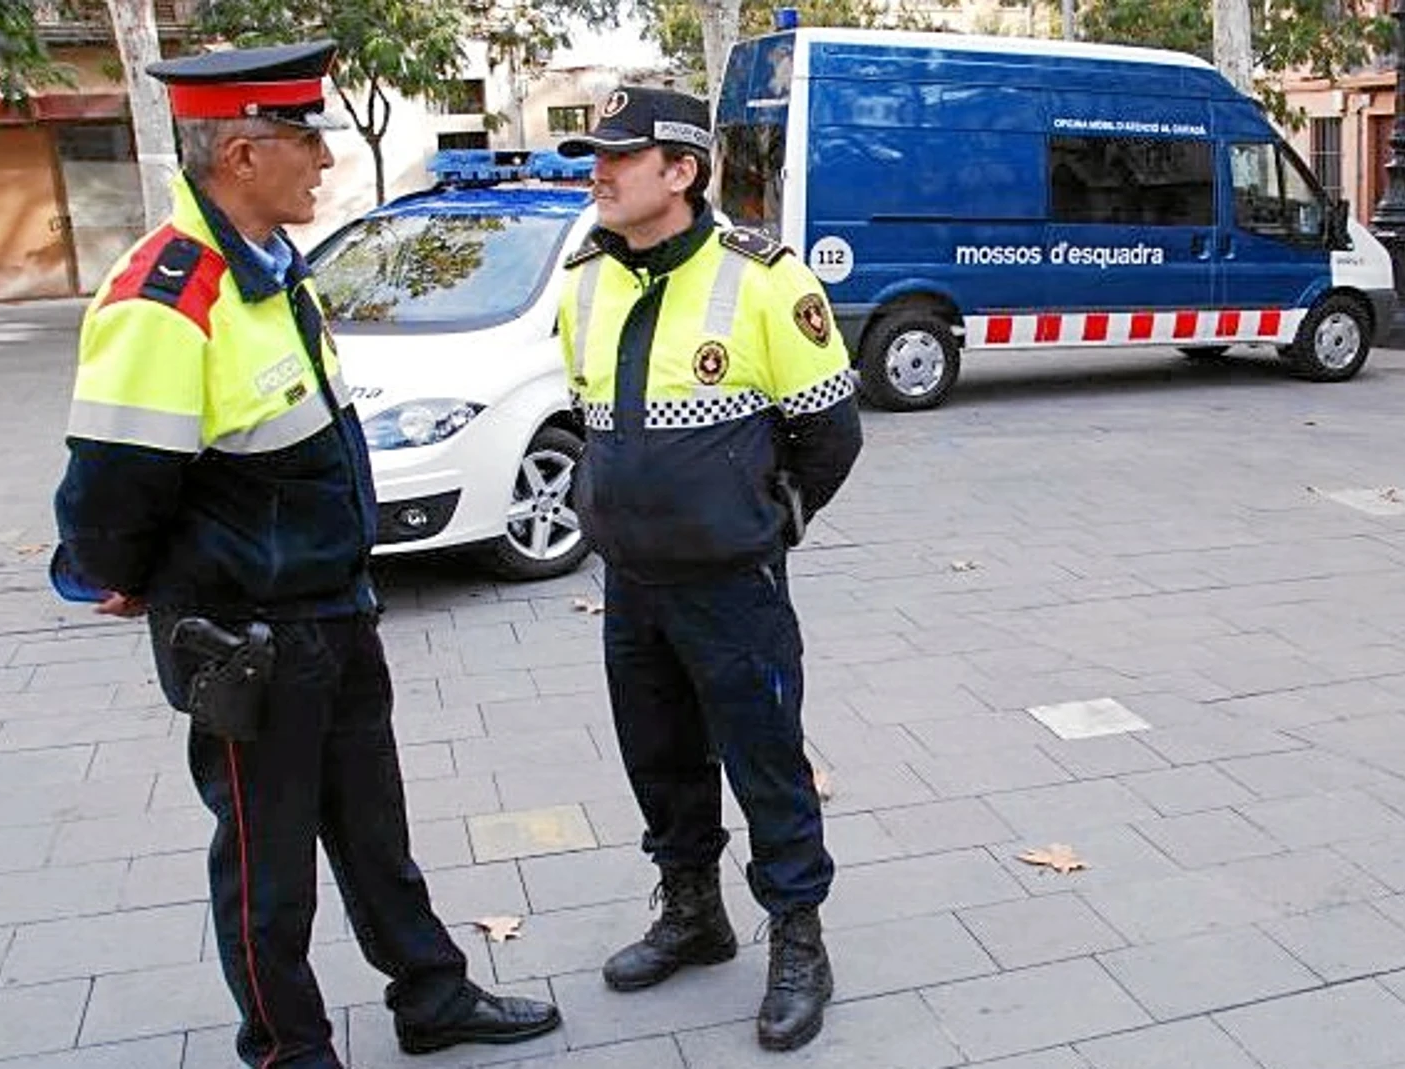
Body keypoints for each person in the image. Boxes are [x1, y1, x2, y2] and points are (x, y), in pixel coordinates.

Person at [49, 41, 560, 1068]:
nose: (323, 160)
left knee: (374, 829)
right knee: (267, 862)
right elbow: (112, 481)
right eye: (304, 139)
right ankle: (287, 1047)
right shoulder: (170, 295)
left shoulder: (273, 272)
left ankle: (432, 995)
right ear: (241, 153)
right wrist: (119, 574)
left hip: (331, 607)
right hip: (247, 634)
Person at [554, 86, 863, 1052]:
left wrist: (764, 524)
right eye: (594, 155)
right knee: (660, 757)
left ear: (680, 172)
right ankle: (693, 912)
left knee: (765, 759)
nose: (597, 173)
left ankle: (799, 937)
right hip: (631, 582)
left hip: (733, 585)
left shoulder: (766, 277)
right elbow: (588, 413)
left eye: (619, 157)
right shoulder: (586, 278)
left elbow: (831, 435)